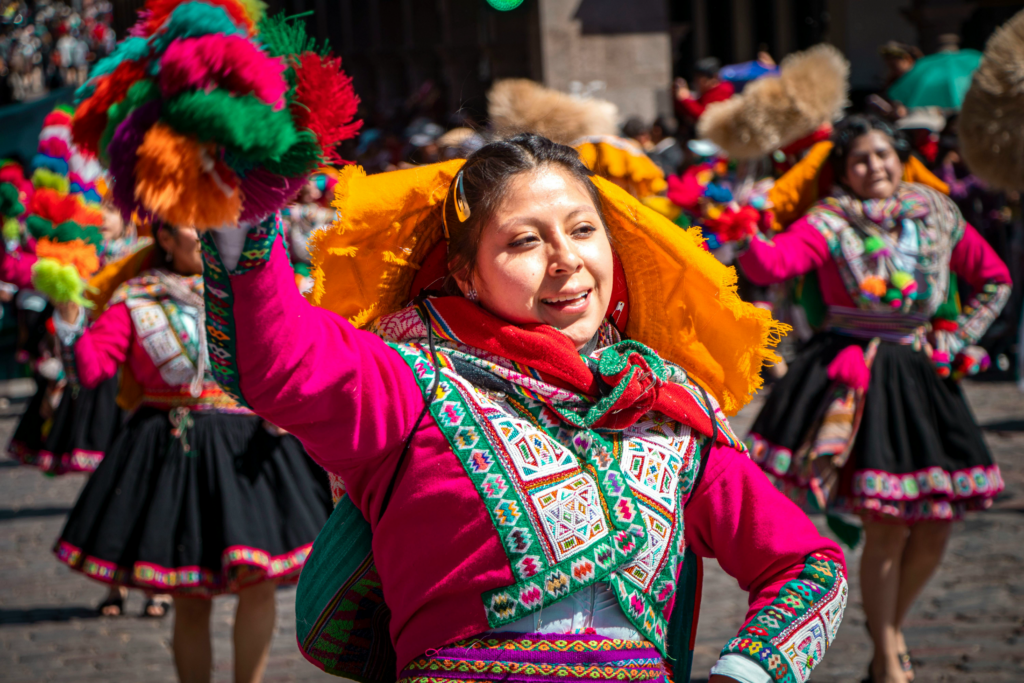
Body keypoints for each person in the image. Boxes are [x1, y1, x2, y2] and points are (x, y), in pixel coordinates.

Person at [203, 134, 849, 683]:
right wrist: (243, 215)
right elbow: (278, 358)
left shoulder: (666, 414)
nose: (567, 260)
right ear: (465, 273)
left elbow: (810, 566)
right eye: (524, 242)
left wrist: (750, 668)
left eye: (582, 229)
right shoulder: (411, 383)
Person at [736, 115, 1011, 683]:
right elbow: (775, 263)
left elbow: (995, 277)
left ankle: (890, 633)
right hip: (855, 374)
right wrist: (747, 225)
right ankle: (887, 657)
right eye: (860, 159)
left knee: (937, 522)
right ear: (844, 170)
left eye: (883, 154)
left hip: (922, 374)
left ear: (900, 158)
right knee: (885, 521)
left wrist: (957, 336)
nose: (874, 167)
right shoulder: (831, 220)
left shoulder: (937, 212)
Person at [50, 223, 333, 683]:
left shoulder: (255, 287)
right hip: (175, 450)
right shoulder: (136, 298)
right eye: (192, 223)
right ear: (164, 237)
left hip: (251, 447)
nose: (206, 232)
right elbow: (91, 368)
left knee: (258, 584)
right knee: (189, 594)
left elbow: (303, 347)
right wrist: (67, 319)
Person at [674, 57, 735, 123]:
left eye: (700, 80)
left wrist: (685, 99)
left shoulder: (722, 92)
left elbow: (705, 117)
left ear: (714, 78)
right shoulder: (707, 93)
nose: (697, 83)